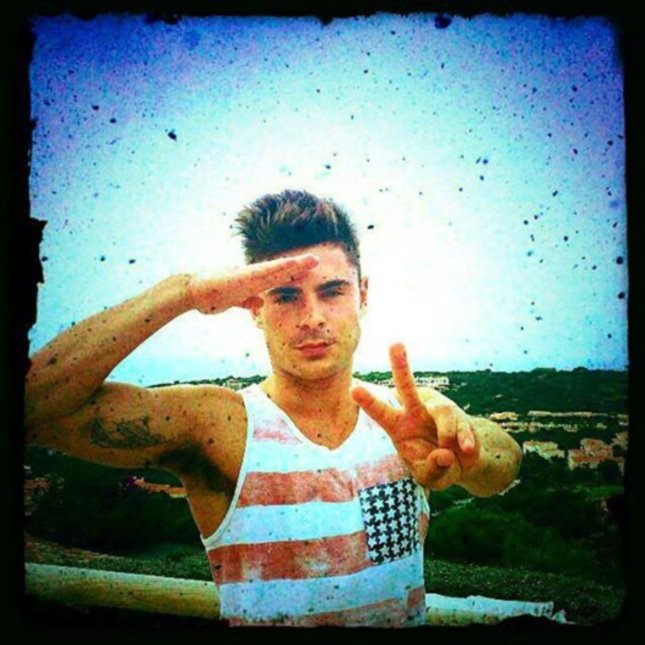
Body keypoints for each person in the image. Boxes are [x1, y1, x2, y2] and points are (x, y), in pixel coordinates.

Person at [25, 189, 522, 627]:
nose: (312, 317)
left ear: (363, 295)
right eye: (285, 296)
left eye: (332, 291)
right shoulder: (223, 425)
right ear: (255, 308)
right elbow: (32, 407)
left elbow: (505, 463)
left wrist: (464, 451)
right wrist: (185, 292)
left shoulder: (404, 417)